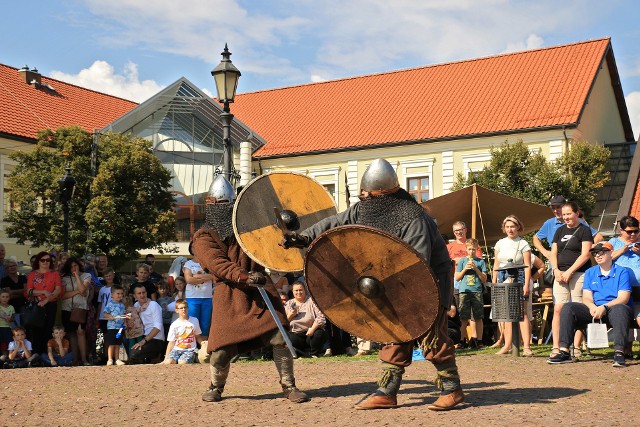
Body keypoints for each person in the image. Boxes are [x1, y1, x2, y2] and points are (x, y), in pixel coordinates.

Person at [282, 158, 463, 411]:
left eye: (368, 194)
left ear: (383, 194)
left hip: (427, 282)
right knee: (393, 332)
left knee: (431, 335)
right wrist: (303, 237)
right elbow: (336, 222)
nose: (364, 197)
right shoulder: (364, 209)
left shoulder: (414, 218)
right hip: (391, 283)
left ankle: (452, 390)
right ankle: (387, 392)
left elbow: (415, 263)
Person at [193, 174, 309, 404]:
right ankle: (216, 386)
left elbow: (275, 243)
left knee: (280, 337)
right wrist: (244, 276)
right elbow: (218, 264)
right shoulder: (204, 237)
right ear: (212, 207)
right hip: (230, 295)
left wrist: (287, 228)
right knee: (222, 348)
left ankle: (289, 385)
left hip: (260, 290)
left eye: (230, 205)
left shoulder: (250, 227)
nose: (226, 210)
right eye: (223, 206)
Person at [547, 242, 634, 367]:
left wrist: (604, 307)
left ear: (611, 253)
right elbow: (586, 297)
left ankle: (619, 353)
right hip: (595, 309)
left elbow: (623, 298)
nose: (598, 255)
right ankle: (564, 351)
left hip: (614, 308)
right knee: (568, 307)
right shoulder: (590, 272)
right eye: (595, 253)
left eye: (602, 252)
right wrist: (592, 307)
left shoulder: (622, 272)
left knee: (620, 309)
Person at [548, 201, 594, 357]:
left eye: (569, 214)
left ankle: (575, 347)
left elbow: (586, 254)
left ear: (577, 213)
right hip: (560, 274)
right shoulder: (559, 231)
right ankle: (557, 347)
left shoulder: (584, 230)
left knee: (577, 309)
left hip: (579, 274)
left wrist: (570, 271)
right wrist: (556, 270)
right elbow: (553, 253)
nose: (566, 217)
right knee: (558, 309)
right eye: (564, 214)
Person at [491, 215, 533, 356]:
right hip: (502, 276)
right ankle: (507, 345)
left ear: (518, 227)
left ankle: (526, 346)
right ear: (504, 228)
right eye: (507, 227)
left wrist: (526, 285)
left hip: (519, 276)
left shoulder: (523, 244)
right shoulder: (500, 243)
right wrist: (494, 282)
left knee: (522, 312)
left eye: (512, 226)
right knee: (507, 313)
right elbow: (496, 264)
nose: (510, 229)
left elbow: (527, 266)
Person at [533, 195, 602, 261]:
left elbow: (599, 237)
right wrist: (545, 252)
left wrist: (587, 249)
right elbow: (536, 238)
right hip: (556, 265)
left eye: (558, 207)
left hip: (578, 264)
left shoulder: (579, 222)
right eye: (553, 208)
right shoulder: (549, 223)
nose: (555, 211)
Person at [447, 221, 483, 348]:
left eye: (460, 229)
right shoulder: (450, 247)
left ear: (465, 229)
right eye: (455, 230)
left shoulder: (473, 245)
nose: (458, 232)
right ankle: (461, 340)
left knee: (474, 314)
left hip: (473, 283)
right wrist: (455, 261)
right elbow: (445, 262)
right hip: (456, 283)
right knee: (460, 314)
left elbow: (479, 261)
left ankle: (475, 339)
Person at [24, 251, 63, 354]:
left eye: (48, 260)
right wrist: (43, 292)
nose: (45, 262)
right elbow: (28, 291)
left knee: (48, 329)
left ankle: (46, 355)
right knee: (36, 330)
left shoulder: (55, 274)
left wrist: (46, 300)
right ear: (38, 261)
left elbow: (58, 290)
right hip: (36, 305)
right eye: (43, 260)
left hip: (50, 304)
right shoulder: (33, 274)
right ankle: (36, 354)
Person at [454, 238, 487, 350]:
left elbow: (484, 279)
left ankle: (479, 341)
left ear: (477, 249)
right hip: (464, 291)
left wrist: (475, 269)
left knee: (478, 317)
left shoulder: (481, 262)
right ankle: (462, 341)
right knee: (463, 318)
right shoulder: (462, 261)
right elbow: (457, 278)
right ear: (466, 249)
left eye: (473, 249)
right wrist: (465, 269)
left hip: (477, 291)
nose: (471, 251)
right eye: (469, 249)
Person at [60, 257, 92, 366]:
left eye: (75, 266)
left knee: (81, 332)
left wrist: (77, 276)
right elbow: (63, 296)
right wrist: (77, 291)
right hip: (67, 308)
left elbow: (83, 290)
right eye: (71, 266)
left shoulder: (86, 276)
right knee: (71, 334)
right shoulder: (64, 279)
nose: (74, 268)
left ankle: (84, 359)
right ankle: (74, 359)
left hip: (80, 308)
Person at [284, 280, 327, 357]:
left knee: (319, 334)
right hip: (296, 333)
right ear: (292, 292)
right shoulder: (288, 304)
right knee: (289, 338)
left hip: (311, 332)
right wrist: (290, 315)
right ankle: (302, 354)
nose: (299, 292)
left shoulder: (312, 301)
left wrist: (312, 329)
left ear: (305, 290)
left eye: (301, 290)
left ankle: (314, 353)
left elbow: (321, 317)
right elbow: (283, 323)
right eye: (296, 290)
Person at [128, 283, 165, 364]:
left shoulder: (153, 305)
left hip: (155, 339)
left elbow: (158, 327)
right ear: (134, 296)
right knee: (126, 339)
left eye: (144, 292)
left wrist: (143, 341)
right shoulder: (136, 305)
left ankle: (155, 355)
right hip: (141, 336)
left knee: (134, 353)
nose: (142, 295)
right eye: (139, 293)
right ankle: (145, 358)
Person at [183, 242, 214, 336]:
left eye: (197, 246)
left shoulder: (208, 263)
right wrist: (206, 277)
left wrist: (196, 276)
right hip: (192, 298)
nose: (195, 249)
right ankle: (192, 345)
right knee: (192, 323)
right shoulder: (188, 264)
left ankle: (203, 346)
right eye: (193, 247)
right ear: (190, 249)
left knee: (205, 324)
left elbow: (214, 276)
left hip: (207, 298)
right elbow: (189, 280)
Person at [163, 299, 204, 364]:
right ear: (177, 310)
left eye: (185, 307)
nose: (183, 309)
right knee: (168, 362)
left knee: (182, 362)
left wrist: (203, 344)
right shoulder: (174, 324)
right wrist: (165, 358)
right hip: (176, 349)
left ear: (188, 308)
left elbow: (197, 336)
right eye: (181, 308)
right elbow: (171, 342)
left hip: (190, 350)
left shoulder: (194, 320)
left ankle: (194, 357)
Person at [103, 285, 126, 366]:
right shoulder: (110, 304)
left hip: (120, 327)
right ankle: (110, 359)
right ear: (112, 294)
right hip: (112, 327)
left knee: (118, 344)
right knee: (111, 343)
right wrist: (109, 317)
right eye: (118, 293)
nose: (120, 295)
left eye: (121, 293)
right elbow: (105, 313)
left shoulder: (122, 305)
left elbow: (124, 315)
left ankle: (117, 359)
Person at [0, 289, 15, 359]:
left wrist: (10, 319)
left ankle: (8, 359)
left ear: (9, 298)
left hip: (7, 328)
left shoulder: (11, 307)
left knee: (8, 344)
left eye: (7, 297)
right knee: (2, 344)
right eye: (3, 297)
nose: (5, 298)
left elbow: (13, 319)